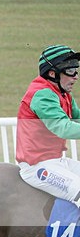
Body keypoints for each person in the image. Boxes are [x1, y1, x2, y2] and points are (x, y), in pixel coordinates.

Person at [16, 45, 80, 206]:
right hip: (37, 168)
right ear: (53, 73)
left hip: (57, 162)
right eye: (71, 71)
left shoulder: (63, 94)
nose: (76, 76)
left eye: (76, 70)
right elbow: (63, 128)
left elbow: (77, 119)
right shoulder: (42, 95)